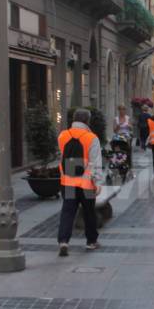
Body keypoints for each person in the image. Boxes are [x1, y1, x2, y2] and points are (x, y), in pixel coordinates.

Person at [57, 108, 104, 256]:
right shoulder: (91, 138)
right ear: (87, 121)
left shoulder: (63, 136)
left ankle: (64, 241)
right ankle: (91, 241)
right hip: (86, 184)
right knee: (89, 212)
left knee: (67, 212)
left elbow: (60, 157)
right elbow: (96, 162)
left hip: (68, 182)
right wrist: (98, 182)